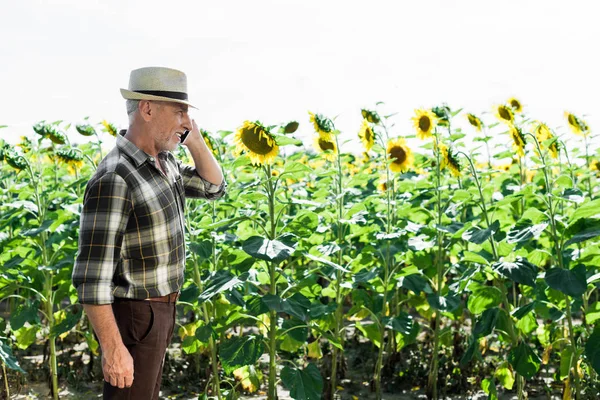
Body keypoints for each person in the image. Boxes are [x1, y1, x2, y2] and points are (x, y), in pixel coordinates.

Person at [72, 66, 227, 399]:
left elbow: (214, 187)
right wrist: (113, 349)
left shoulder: (163, 161)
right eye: (180, 111)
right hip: (134, 317)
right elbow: (91, 278)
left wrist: (195, 141)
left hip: (162, 313)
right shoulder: (116, 177)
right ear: (147, 108)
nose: (186, 121)